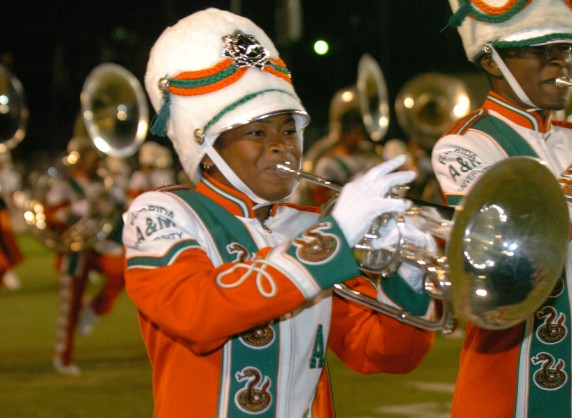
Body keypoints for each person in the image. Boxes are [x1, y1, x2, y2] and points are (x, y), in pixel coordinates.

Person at [123, 8, 439, 417]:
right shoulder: (161, 213)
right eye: (257, 132)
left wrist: (407, 278)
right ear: (207, 147)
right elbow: (196, 314)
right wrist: (332, 240)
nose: (282, 146)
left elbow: (379, 351)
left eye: (289, 130)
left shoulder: (308, 225)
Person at [432, 1, 572, 417]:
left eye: (563, 48)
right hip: (511, 382)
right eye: (539, 49)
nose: (559, 61)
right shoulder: (464, 144)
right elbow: (506, 244)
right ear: (492, 60)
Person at [46, 135, 126, 375]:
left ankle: (92, 311)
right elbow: (51, 216)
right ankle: (63, 357)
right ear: (80, 160)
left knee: (123, 272)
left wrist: (116, 197)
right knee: (69, 310)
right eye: (92, 157)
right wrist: (73, 210)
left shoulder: (102, 183)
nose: (97, 162)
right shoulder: (64, 185)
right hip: (75, 252)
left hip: (101, 246)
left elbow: (118, 211)